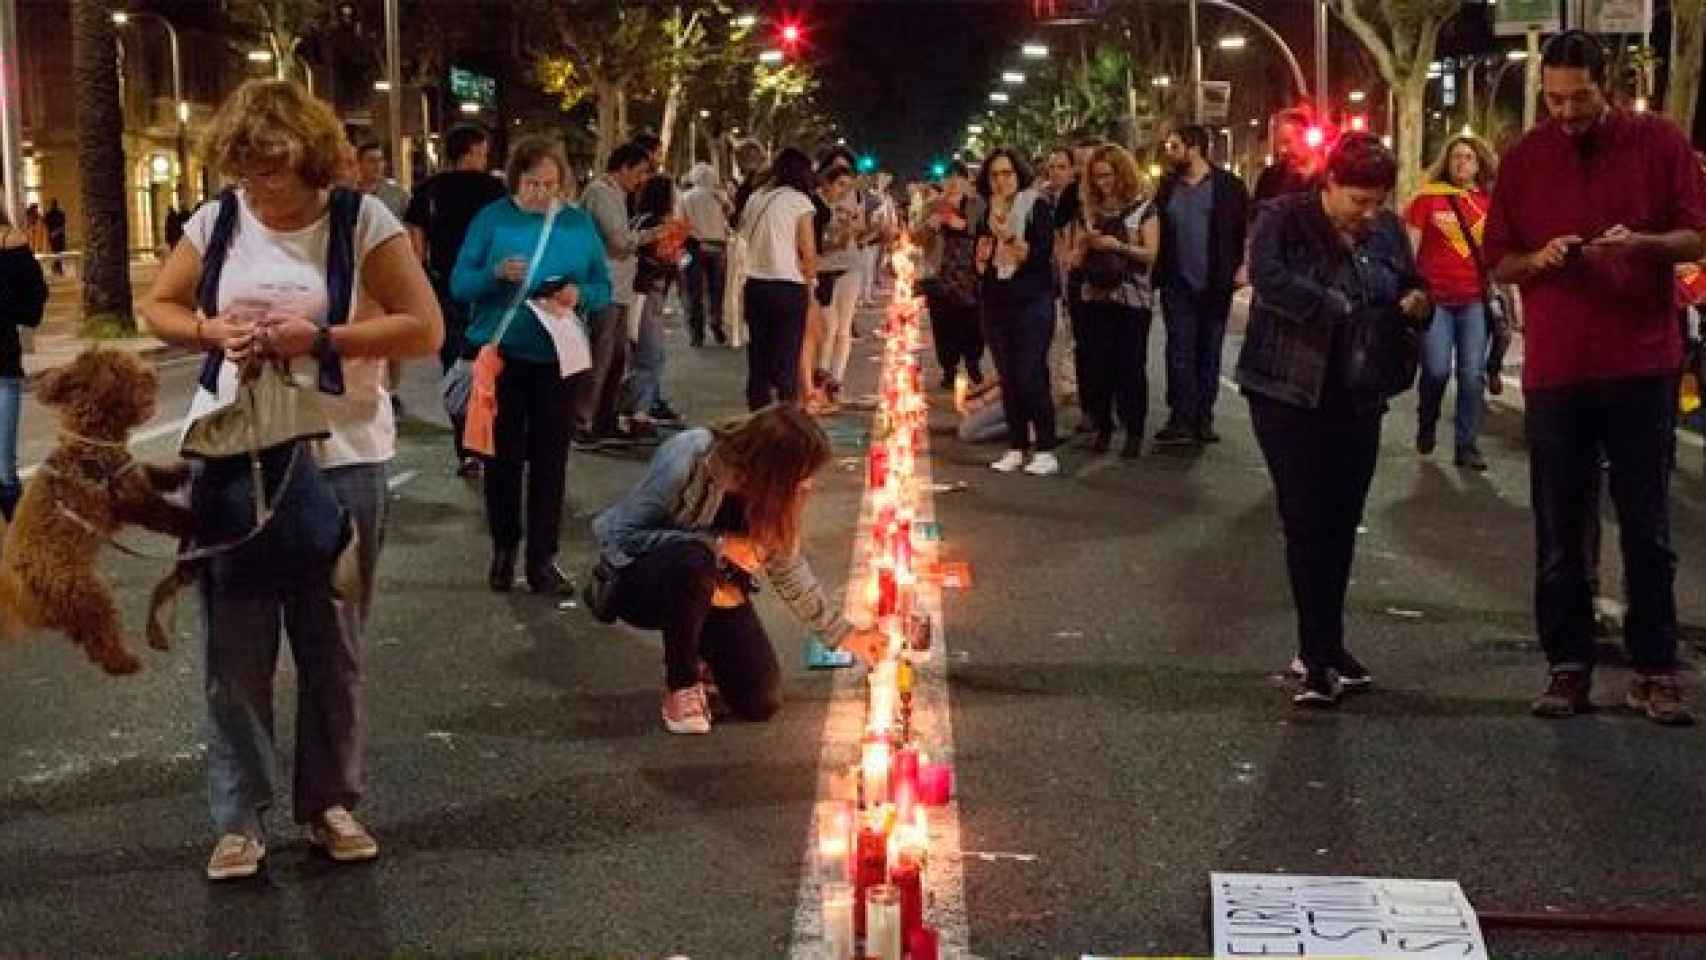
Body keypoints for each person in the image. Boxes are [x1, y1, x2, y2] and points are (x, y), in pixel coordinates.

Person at [137, 78, 443, 879]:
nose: (257, 189)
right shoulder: (217, 219)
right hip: (233, 455)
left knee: (330, 642)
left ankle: (331, 803)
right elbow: (159, 307)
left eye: (271, 170)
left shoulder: (363, 221)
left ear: (310, 159)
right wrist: (210, 327)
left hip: (340, 457)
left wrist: (324, 337)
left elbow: (424, 326)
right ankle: (239, 818)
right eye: (243, 171)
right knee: (233, 647)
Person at [1485, 30, 1706, 725]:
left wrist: (1643, 245)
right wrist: (1539, 259)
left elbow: (1697, 235)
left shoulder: (1660, 142)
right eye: (1554, 99)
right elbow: (1499, 260)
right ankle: (1568, 664)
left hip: (1641, 360)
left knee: (1647, 524)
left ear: (1606, 85)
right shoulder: (1523, 158)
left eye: (1579, 97)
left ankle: (1653, 666)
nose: (1567, 111)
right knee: (1560, 523)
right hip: (1557, 368)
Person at [1237, 132, 1429, 707]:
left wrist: (1420, 300)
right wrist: (1336, 308)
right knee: (1305, 517)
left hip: (1357, 392)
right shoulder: (1282, 219)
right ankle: (1315, 653)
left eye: (1377, 201)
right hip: (1288, 390)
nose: (1367, 214)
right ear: (1329, 185)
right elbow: (1268, 280)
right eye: (1356, 201)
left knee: (1343, 520)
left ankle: (1329, 642)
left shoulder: (1387, 230)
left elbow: (1411, 281)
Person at [591, 404, 884, 733]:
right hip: (644, 581)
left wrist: (844, 635)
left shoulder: (779, 494)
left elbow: (788, 569)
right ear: (772, 467)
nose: (807, 485)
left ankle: (705, 655)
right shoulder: (690, 455)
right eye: (800, 476)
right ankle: (681, 685)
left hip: (715, 590)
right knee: (694, 558)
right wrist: (718, 542)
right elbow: (618, 534)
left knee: (760, 700)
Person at [452, 136, 612, 596]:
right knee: (501, 459)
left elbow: (600, 284)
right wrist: (494, 275)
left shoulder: (578, 224)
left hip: (558, 360)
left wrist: (578, 295)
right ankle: (504, 548)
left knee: (551, 461)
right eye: (532, 184)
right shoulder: (492, 219)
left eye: (551, 184)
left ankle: (543, 558)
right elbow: (461, 283)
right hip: (503, 356)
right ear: (513, 179)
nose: (543, 194)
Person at [403, 122, 508, 477]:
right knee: (489, 363)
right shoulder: (493, 189)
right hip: (487, 285)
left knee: (455, 364)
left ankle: (466, 448)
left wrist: (422, 273)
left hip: (444, 286)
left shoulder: (429, 189)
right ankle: (488, 440)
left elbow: (415, 234)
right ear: (474, 150)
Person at [1405, 134, 1499, 470]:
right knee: (1436, 369)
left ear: (1479, 164)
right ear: (1446, 161)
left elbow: (1497, 251)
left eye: (1469, 158)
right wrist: (1408, 287)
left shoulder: (1488, 203)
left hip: (1473, 300)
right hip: (1436, 301)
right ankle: (1427, 418)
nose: (1462, 163)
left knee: (1472, 374)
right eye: (1456, 157)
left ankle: (1466, 444)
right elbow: (1410, 247)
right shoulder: (1427, 200)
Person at [1154, 125, 1250, 446]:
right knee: (1179, 351)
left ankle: (1203, 417)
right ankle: (1180, 416)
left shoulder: (1228, 187)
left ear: (1194, 148)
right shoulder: (1167, 188)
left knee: (1208, 352)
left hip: (1215, 283)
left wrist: (1242, 266)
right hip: (1177, 282)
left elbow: (1245, 229)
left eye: (1175, 146)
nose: (1170, 153)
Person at [1065, 144, 1157, 458]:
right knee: (1098, 366)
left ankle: (1134, 431)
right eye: (1096, 177)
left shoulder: (1144, 208)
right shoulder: (1087, 211)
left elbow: (1151, 254)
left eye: (1107, 175)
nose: (1102, 182)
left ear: (1122, 173)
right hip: (1095, 296)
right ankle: (1104, 427)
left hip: (1132, 298)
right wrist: (1084, 247)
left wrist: (1117, 246)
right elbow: (1073, 259)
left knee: (1130, 366)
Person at [974, 147, 1059, 476]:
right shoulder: (986, 212)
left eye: (1007, 173)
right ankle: (1016, 445)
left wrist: (1006, 233)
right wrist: (982, 256)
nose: (1000, 181)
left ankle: (1047, 448)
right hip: (996, 299)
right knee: (1008, 375)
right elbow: (982, 256)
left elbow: (1038, 255)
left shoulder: (1035, 205)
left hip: (1032, 299)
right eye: (994, 174)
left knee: (1030, 373)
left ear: (1018, 174)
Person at [577, 142, 652, 449]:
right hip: (604, 286)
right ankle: (582, 423)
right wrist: (652, 235)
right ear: (622, 167)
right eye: (640, 171)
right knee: (599, 357)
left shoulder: (617, 195)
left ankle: (604, 421)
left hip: (620, 288)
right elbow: (619, 241)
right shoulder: (601, 193)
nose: (642, 178)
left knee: (617, 358)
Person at [737, 147, 818, 411]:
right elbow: (807, 250)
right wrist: (812, 288)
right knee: (787, 354)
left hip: (755, 285)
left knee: (758, 353)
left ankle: (758, 412)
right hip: (788, 287)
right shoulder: (798, 201)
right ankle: (786, 416)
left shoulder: (756, 198)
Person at [914, 161, 985, 389]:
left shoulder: (977, 205)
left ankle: (973, 364)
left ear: (967, 181)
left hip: (970, 274)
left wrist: (959, 223)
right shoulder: (932, 205)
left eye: (959, 177)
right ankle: (948, 368)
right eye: (949, 177)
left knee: (973, 323)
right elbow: (917, 239)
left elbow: (983, 231)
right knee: (943, 324)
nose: (953, 183)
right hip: (940, 273)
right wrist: (930, 226)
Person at [0, 206, 48, 520]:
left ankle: (20, 548)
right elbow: (32, 299)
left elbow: (33, 297)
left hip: (1, 365)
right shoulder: (9, 241)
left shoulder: (9, 242)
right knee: (3, 469)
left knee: (4, 471)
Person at [626, 172, 684, 428]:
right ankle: (640, 411)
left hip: (643, 291)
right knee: (650, 353)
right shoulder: (657, 225)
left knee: (644, 351)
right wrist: (673, 257)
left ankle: (648, 403)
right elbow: (661, 259)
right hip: (648, 291)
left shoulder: (639, 220)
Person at [814, 160, 867, 402]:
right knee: (828, 328)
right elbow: (817, 245)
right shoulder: (815, 205)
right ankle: (820, 377)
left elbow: (862, 231)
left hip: (850, 267)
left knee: (843, 329)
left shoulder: (855, 200)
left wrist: (857, 229)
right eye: (840, 185)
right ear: (827, 183)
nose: (844, 190)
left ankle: (836, 380)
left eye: (848, 185)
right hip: (824, 270)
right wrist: (840, 236)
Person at [681, 162, 731, 347]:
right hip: (717, 247)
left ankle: (696, 332)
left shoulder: (686, 198)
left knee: (693, 291)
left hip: (694, 247)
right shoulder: (720, 197)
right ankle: (716, 322)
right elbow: (731, 216)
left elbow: (681, 223)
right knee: (716, 290)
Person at [1253, 109, 1319, 209]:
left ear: (1305, 138)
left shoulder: (1325, 180)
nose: (1282, 150)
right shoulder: (1269, 178)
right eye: (1278, 144)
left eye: (1287, 142)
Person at [44, 200, 67, 276]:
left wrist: (55, 232)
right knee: (55, 252)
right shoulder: (49, 214)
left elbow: (63, 225)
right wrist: (51, 233)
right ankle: (57, 267)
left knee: (58, 252)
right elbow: (46, 225)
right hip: (54, 236)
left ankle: (57, 267)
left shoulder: (60, 214)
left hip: (58, 236)